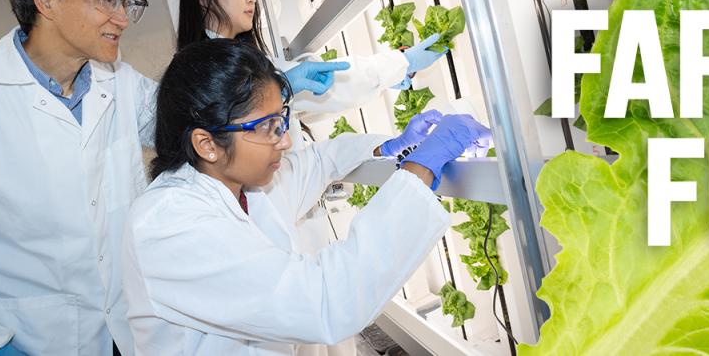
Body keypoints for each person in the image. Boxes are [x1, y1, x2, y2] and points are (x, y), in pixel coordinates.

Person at [122, 39, 491, 354]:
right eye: (266, 127)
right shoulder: (168, 224)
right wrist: (421, 169)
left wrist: (391, 148)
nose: (284, 139)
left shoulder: (242, 184)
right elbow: (323, 301)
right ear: (207, 144)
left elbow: (317, 162)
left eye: (280, 120)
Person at [0, 0, 156, 355]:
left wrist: (274, 87)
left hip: (127, 329)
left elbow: (191, 117)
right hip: (29, 338)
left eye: (125, 2)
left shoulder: (120, 82)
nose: (121, 18)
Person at [175, 0, 446, 102]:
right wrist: (399, 65)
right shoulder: (215, 72)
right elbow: (323, 86)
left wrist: (391, 72)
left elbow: (314, 90)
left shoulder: (237, 55)